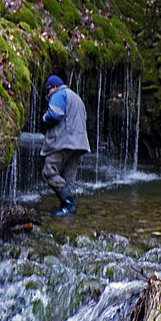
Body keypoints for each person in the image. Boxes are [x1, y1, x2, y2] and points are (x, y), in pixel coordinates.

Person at [40, 75, 90, 216]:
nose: (49, 94)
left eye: (48, 91)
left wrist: (45, 117)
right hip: (79, 143)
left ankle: (68, 206)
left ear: (53, 87)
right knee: (69, 177)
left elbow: (55, 114)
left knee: (49, 172)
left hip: (64, 142)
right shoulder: (77, 98)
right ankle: (67, 210)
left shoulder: (59, 94)